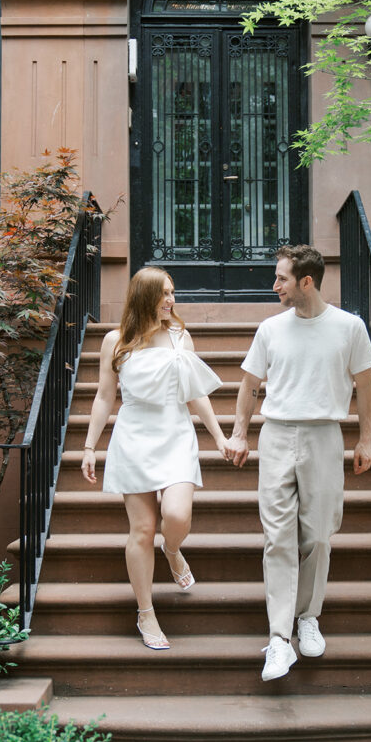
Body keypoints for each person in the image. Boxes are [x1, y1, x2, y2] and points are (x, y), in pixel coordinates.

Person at [227, 245, 371, 681]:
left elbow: (365, 386)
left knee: (317, 535)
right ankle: (278, 639)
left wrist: (365, 441)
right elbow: (250, 384)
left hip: (324, 436)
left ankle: (307, 618)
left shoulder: (349, 327)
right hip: (276, 435)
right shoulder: (270, 329)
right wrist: (240, 433)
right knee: (277, 537)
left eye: (282, 279)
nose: (274, 285)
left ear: (306, 282)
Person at [81, 267, 229, 650]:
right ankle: (146, 612)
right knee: (142, 530)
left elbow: (196, 393)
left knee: (176, 516)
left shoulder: (181, 336)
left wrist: (219, 436)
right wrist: (89, 446)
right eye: (164, 293)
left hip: (176, 435)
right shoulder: (116, 340)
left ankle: (174, 549)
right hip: (133, 439)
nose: (171, 300)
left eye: (173, 292)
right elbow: (103, 397)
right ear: (145, 295)